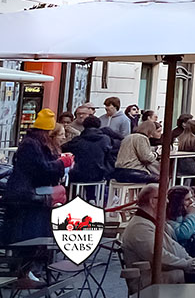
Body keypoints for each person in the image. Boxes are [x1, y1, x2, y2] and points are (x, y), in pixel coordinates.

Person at [1, 110, 72, 289]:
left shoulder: (33, 144)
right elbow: (41, 169)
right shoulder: (32, 145)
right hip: (26, 198)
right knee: (29, 235)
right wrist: (61, 163)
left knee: (34, 235)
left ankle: (27, 271)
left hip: (30, 197)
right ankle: (23, 272)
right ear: (46, 131)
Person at [64, 115, 113, 197]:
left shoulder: (78, 140)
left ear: (84, 125)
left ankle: (72, 199)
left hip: (79, 174)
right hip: (99, 174)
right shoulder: (105, 139)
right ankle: (92, 198)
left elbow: (64, 148)